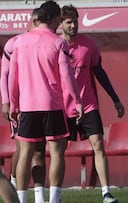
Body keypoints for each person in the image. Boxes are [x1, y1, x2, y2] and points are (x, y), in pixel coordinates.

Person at [8, 1, 83, 203]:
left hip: (28, 105)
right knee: (57, 152)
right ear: (55, 19)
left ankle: (21, 200)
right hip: (52, 105)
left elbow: (12, 76)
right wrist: (76, 101)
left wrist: (14, 105)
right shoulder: (59, 42)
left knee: (25, 153)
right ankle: (54, 199)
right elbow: (67, 76)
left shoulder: (19, 42)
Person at [60, 5, 125, 203]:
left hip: (88, 105)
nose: (73, 25)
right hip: (63, 107)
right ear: (61, 24)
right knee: (58, 151)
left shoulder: (89, 45)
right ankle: (56, 195)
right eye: (68, 22)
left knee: (98, 145)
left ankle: (106, 192)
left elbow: (100, 73)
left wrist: (115, 99)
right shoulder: (55, 46)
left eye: (75, 21)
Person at [0, 8, 47, 203]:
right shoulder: (14, 43)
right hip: (21, 106)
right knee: (23, 150)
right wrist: (6, 102)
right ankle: (15, 191)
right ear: (33, 20)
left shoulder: (48, 42)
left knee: (39, 151)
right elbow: (4, 74)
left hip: (42, 105)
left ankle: (40, 198)